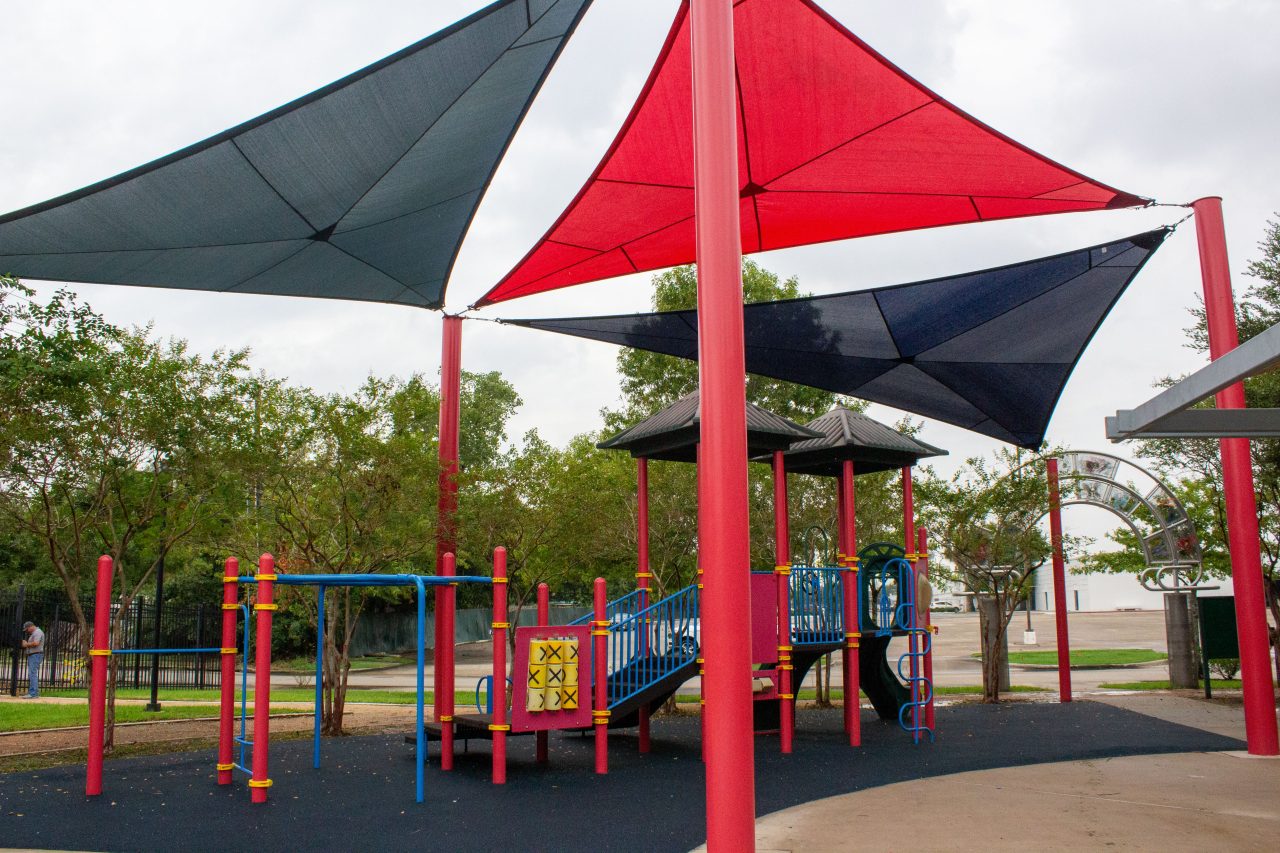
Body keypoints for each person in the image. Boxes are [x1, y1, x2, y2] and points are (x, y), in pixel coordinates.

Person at [21, 621, 44, 699]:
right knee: (32, 674)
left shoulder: (37, 632)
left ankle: (33, 693)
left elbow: (36, 643)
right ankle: (33, 693)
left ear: (31, 626)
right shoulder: (35, 633)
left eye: (27, 629)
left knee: (32, 674)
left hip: (36, 655)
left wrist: (26, 644)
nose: (27, 631)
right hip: (34, 655)